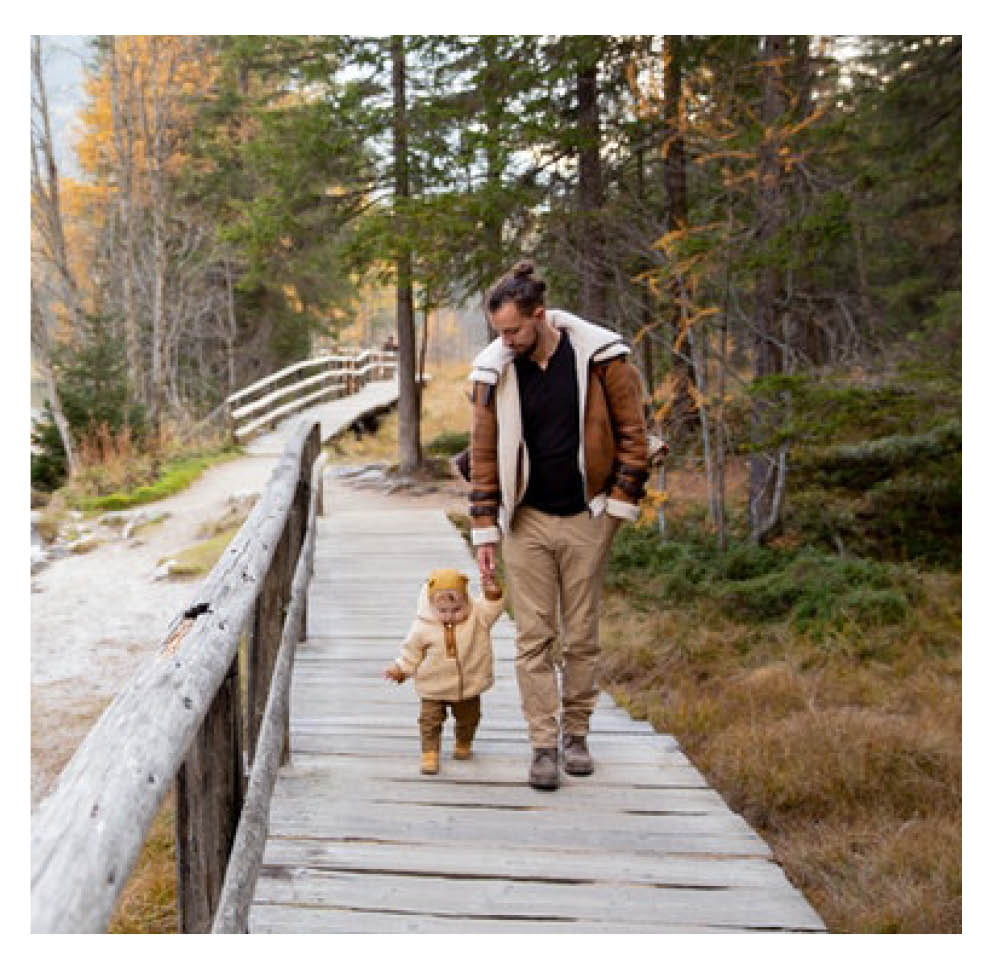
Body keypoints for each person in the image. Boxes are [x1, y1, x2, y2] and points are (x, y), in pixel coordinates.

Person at [468, 260, 649, 791]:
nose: (506, 341)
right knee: (533, 638)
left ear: (539, 316)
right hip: (525, 522)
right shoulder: (494, 371)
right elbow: (482, 457)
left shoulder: (600, 359)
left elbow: (633, 436)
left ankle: (577, 735)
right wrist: (485, 530)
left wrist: (616, 509)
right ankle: (542, 745)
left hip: (587, 517)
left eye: (514, 330)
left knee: (582, 636)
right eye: (499, 332)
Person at [383, 568, 504, 774]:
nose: (450, 616)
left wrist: (493, 593)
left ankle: (463, 742)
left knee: (469, 718)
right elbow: (411, 652)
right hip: (433, 686)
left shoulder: (477, 617)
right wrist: (401, 669)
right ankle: (430, 752)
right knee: (429, 721)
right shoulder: (423, 627)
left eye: (457, 609)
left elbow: (492, 608)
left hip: (468, 685)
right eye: (443, 611)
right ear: (431, 606)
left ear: (467, 601)